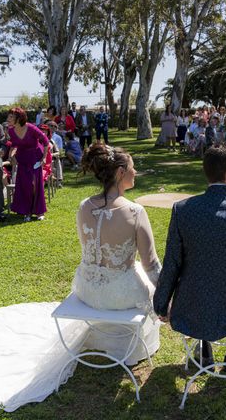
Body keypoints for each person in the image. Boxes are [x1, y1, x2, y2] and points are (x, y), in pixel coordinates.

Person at [153, 144, 226, 371]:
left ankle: (204, 351)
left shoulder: (183, 209)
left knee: (204, 287)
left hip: (194, 299)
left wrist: (161, 303)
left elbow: (172, 262)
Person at [73, 143, 162, 362]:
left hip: (85, 289)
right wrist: (166, 294)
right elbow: (151, 264)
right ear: (121, 172)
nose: (135, 172)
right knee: (144, 275)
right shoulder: (135, 211)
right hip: (122, 296)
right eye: (132, 168)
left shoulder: (84, 206)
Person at [7, 107, 50, 221]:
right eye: (9, 116)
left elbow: (46, 142)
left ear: (18, 118)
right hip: (22, 159)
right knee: (25, 186)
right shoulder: (10, 130)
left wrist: (44, 158)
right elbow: (14, 144)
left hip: (35, 158)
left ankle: (39, 211)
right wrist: (11, 155)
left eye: (11, 117)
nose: (8, 119)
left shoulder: (31, 128)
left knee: (35, 184)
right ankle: (27, 212)